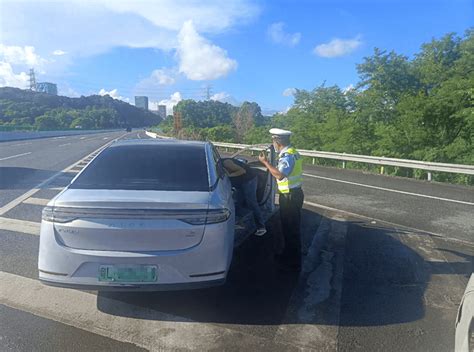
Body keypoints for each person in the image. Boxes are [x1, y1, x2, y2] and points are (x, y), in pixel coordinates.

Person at [258, 128, 304, 271]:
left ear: (277, 141)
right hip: (294, 194)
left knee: (290, 229)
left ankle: (292, 261)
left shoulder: (287, 156)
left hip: (290, 197)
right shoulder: (293, 152)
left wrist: (265, 162)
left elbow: (279, 175)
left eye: (274, 141)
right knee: (291, 228)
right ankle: (290, 256)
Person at [222, 158, 267, 237]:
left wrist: (228, 176)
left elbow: (242, 171)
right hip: (240, 182)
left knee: (252, 203)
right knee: (237, 202)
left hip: (249, 180)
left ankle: (261, 226)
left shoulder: (226, 163)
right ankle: (240, 223)